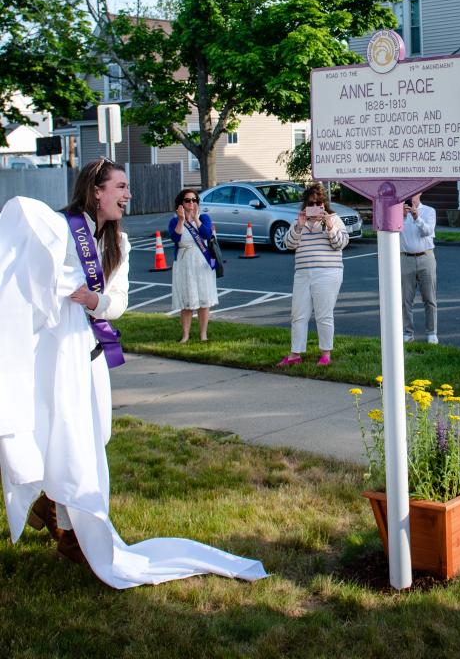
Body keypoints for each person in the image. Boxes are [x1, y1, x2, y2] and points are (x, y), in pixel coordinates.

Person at [0, 159, 266, 587]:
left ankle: (51, 503)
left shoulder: (118, 243)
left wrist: (93, 301)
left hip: (86, 356)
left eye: (128, 188)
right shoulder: (57, 228)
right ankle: (69, 529)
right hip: (54, 354)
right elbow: (22, 246)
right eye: (121, 186)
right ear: (96, 190)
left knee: (91, 435)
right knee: (63, 434)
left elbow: (117, 302)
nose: (128, 195)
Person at [279, 182, 349, 367]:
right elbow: (289, 244)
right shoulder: (298, 221)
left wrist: (329, 226)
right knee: (298, 314)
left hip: (328, 272)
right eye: (310, 204)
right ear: (305, 205)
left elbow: (341, 243)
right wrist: (299, 227)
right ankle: (295, 353)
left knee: (324, 314)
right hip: (303, 273)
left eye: (318, 203)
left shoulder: (334, 219)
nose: (314, 207)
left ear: (324, 204)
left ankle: (326, 354)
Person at [168, 188, 218, 343]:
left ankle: (203, 334)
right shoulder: (175, 220)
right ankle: (185, 335)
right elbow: (175, 238)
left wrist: (196, 219)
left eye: (194, 200)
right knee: (187, 300)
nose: (192, 203)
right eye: (188, 200)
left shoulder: (204, 217)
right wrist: (182, 220)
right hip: (184, 261)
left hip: (202, 260)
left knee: (204, 299)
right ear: (181, 203)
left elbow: (206, 234)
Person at [400, 193, 438, 344]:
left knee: (429, 298)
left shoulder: (429, 211)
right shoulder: (398, 212)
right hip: (405, 257)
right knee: (405, 299)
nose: (410, 196)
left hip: (426, 257)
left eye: (414, 192)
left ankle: (432, 333)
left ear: (420, 192)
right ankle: (407, 333)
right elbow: (392, 232)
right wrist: (402, 216)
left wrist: (416, 217)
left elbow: (427, 232)